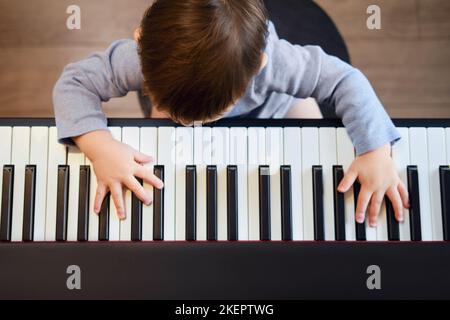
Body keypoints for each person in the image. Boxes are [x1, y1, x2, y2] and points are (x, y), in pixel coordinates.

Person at [53, 0, 409, 228]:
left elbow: (346, 80)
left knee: (310, 126)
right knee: (156, 160)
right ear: (141, 42)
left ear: (259, 68)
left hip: (272, 108)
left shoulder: (276, 65)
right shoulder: (139, 59)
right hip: (173, 111)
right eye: (188, 117)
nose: (197, 124)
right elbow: (73, 84)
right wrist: (100, 147)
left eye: (205, 116)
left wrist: (376, 150)